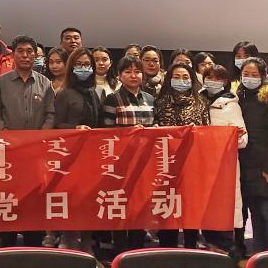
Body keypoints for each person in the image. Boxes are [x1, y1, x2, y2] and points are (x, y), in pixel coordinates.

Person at [0, 35, 55, 247]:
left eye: (30, 51)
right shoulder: (1, 83)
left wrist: (38, 139)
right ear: (13, 55)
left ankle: (33, 247)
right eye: (21, 51)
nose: (25, 55)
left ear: (36, 55)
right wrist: (7, 136)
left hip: (37, 154)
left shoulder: (45, 83)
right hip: (9, 153)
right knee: (9, 199)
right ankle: (7, 247)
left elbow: (50, 115)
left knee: (34, 201)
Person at [153, 62, 209, 249]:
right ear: (169, 79)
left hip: (192, 164)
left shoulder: (201, 103)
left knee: (190, 208)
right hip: (166, 165)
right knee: (168, 207)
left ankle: (191, 247)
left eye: (185, 77)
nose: (181, 81)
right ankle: (167, 248)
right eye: (176, 77)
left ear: (192, 80)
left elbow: (208, 131)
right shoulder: (160, 102)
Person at [53, 47, 104, 253]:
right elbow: (56, 125)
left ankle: (87, 248)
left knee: (89, 203)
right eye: (80, 65)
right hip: (70, 157)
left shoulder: (94, 93)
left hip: (92, 157)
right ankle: (71, 248)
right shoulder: (64, 93)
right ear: (71, 67)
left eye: (87, 65)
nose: (84, 68)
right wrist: (75, 128)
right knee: (73, 203)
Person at [102, 56, 154, 254]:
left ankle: (136, 252)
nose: (133, 75)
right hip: (120, 163)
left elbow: (156, 126)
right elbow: (106, 132)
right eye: (128, 71)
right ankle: (120, 252)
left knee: (139, 207)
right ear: (119, 75)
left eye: (137, 71)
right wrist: (130, 133)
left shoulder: (150, 98)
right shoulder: (112, 99)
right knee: (121, 207)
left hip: (144, 163)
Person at [237, 56, 268, 254]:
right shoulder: (238, 96)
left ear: (263, 75)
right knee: (256, 214)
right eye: (246, 74)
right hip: (245, 165)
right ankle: (260, 256)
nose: (249, 78)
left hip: (266, 166)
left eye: (254, 74)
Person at [200, 64, 248, 258]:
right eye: (209, 77)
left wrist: (236, 137)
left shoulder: (231, 105)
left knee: (224, 212)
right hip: (200, 166)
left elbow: (244, 140)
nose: (213, 81)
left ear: (226, 82)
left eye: (218, 78)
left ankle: (229, 253)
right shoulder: (197, 100)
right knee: (204, 212)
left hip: (223, 168)